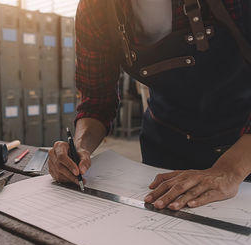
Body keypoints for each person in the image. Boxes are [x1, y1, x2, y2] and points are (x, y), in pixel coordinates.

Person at [48, 0, 251, 210]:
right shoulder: (96, 8)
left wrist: (229, 170)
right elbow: (97, 101)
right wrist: (79, 148)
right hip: (165, 143)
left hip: (242, 149)